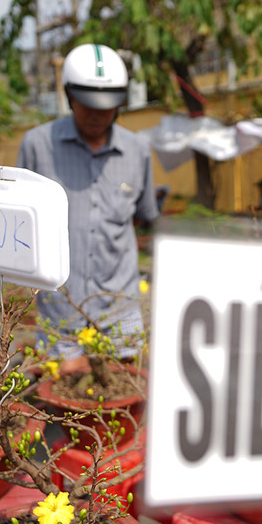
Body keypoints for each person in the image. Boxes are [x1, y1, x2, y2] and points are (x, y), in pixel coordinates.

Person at [17, 43, 158, 358]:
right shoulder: (38, 146)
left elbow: (143, 216)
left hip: (121, 314)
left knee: (123, 398)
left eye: (107, 105)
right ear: (69, 96)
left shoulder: (138, 152)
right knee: (61, 403)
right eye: (87, 104)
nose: (97, 114)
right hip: (60, 314)